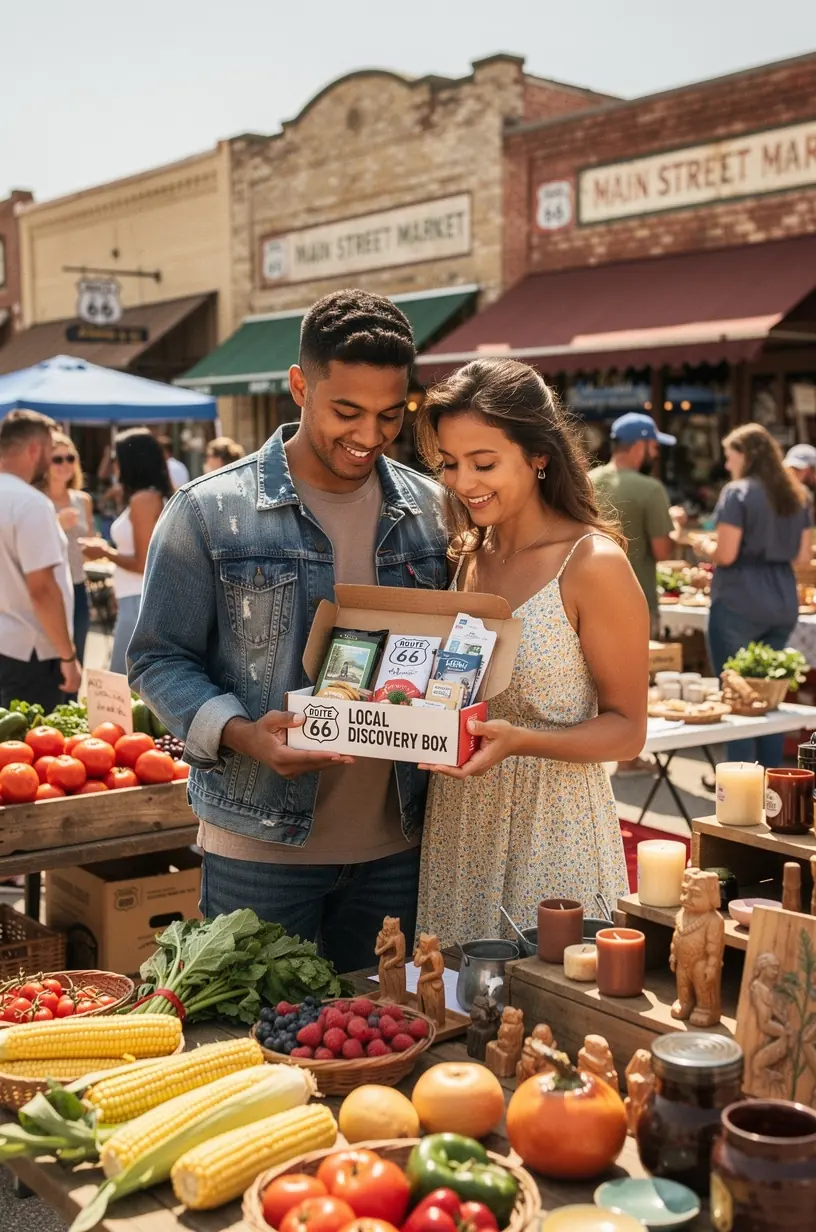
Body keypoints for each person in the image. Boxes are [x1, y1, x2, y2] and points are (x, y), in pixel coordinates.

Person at [128, 290, 448, 972]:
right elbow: (158, 659)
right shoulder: (209, 512)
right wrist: (244, 734)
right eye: (347, 412)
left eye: (390, 416)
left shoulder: (432, 512)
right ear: (299, 385)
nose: (369, 435)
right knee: (257, 1052)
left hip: (399, 850)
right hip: (259, 848)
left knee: (381, 1058)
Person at [413, 359, 648, 945]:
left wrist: (522, 740)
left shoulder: (592, 563)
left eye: (483, 462)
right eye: (450, 463)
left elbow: (627, 731)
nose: (464, 482)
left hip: (556, 830)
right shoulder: (464, 554)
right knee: (456, 1019)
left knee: (549, 1023)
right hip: (460, 828)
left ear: (539, 455)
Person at [697, 423, 812, 766]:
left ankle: (740, 780)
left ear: (746, 455)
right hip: (781, 598)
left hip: (740, 599)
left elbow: (727, 553)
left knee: (737, 695)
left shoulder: (738, 492)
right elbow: (802, 558)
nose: (727, 463)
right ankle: (771, 780)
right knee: (769, 695)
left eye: (730, 455)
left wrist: (703, 545)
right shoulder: (797, 495)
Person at [0, 410, 80, 712]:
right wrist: (68, 656)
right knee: (27, 753)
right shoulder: (31, 503)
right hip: (32, 652)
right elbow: (42, 589)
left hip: (10, 644)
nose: (50, 461)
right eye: (49, 451)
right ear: (35, 449)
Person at [80, 429, 172, 674]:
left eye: (116, 459)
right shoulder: (151, 496)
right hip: (136, 598)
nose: (114, 466)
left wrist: (104, 552)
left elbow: (143, 563)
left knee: (118, 687)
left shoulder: (143, 500)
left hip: (138, 600)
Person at [590, 412, 677, 634]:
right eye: (655, 447)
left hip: (591, 601)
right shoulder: (651, 489)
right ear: (640, 447)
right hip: (637, 603)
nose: (656, 454)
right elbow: (663, 551)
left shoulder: (586, 482)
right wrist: (677, 525)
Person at [39, 430, 93, 668]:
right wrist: (57, 525)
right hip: (49, 586)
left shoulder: (82, 500)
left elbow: (89, 543)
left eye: (70, 458)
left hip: (79, 585)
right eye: (57, 459)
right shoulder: (37, 500)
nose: (65, 464)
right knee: (50, 657)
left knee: (78, 655)